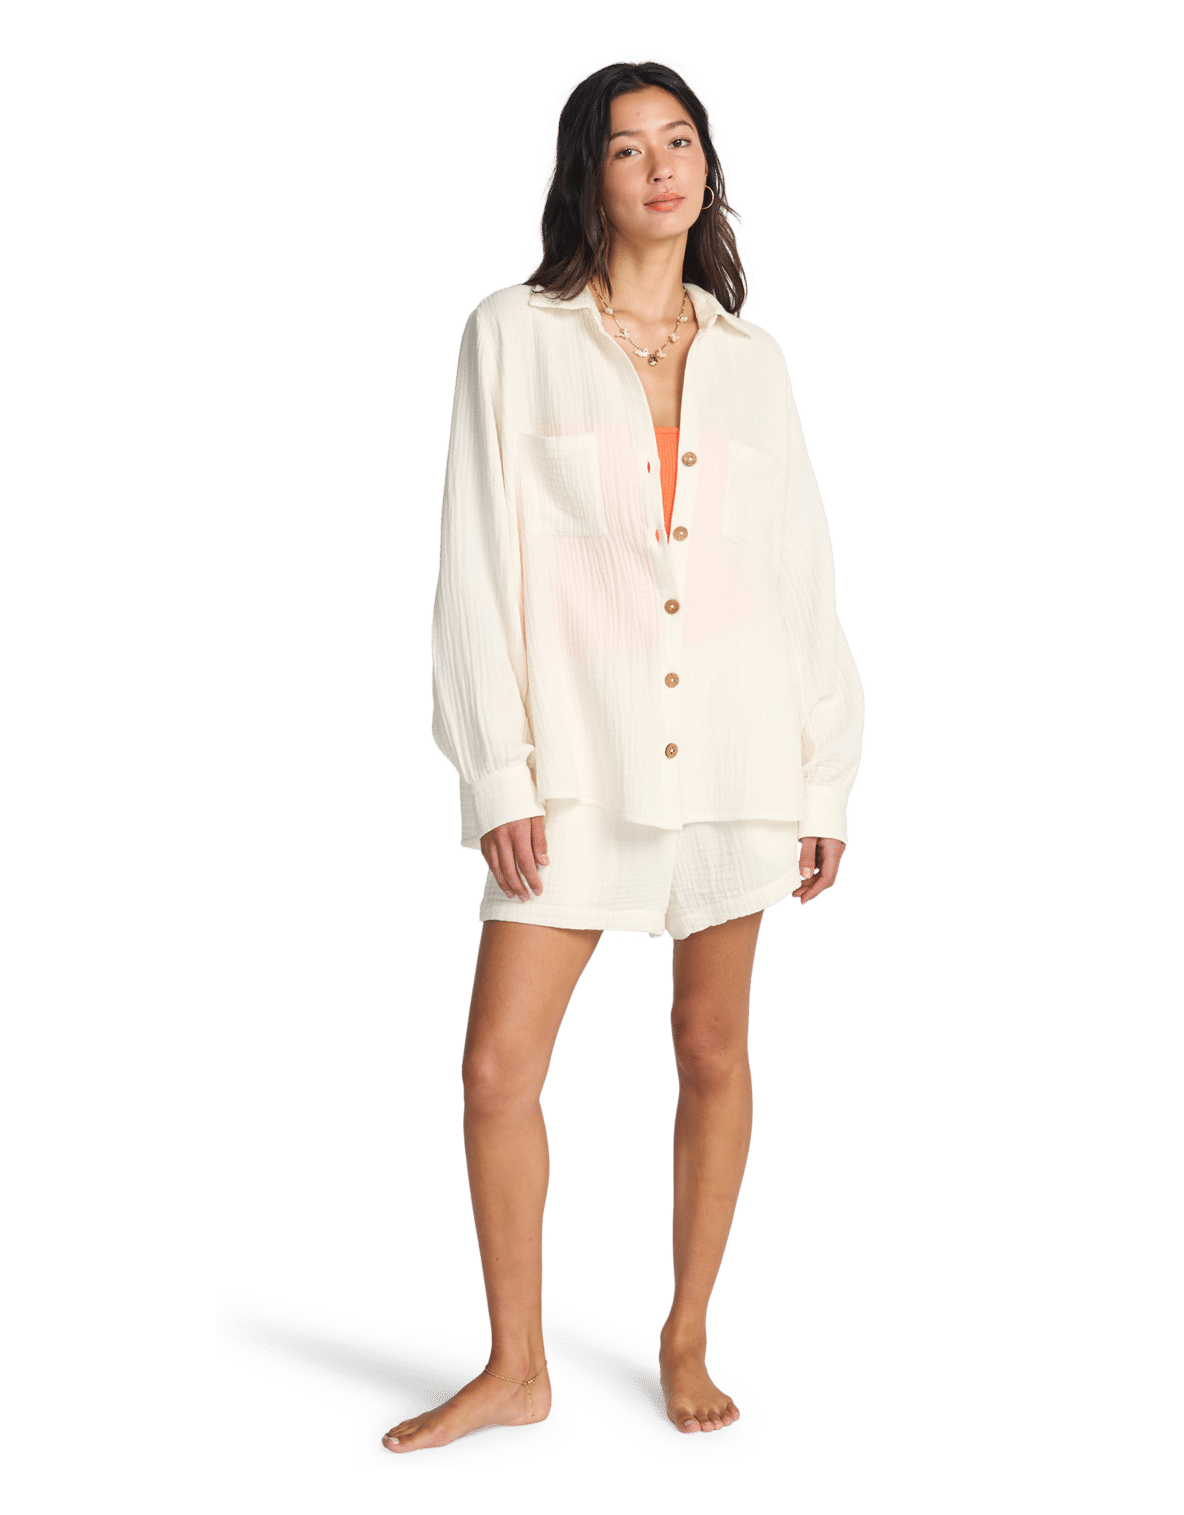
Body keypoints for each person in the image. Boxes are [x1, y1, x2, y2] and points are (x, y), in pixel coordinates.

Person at [381, 57, 865, 1454]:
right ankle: (517, 1367)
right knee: (496, 1066)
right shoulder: (513, 333)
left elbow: (799, 579)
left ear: (708, 168)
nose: (660, 167)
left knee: (713, 1046)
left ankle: (686, 1337)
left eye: (680, 141)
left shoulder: (755, 363)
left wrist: (823, 775)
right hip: (577, 759)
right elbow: (475, 558)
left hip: (736, 755)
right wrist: (499, 770)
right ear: (583, 176)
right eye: (625, 147)